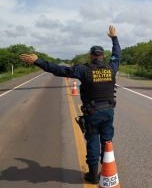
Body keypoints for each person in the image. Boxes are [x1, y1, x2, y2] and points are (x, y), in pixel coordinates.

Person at [20, 25, 121, 184]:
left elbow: (60, 70)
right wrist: (114, 38)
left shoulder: (83, 70)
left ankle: (93, 175)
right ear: (102, 56)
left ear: (90, 56)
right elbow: (117, 54)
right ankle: (106, 170)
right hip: (109, 111)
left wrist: (38, 61)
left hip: (93, 113)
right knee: (107, 141)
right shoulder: (112, 67)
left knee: (93, 141)